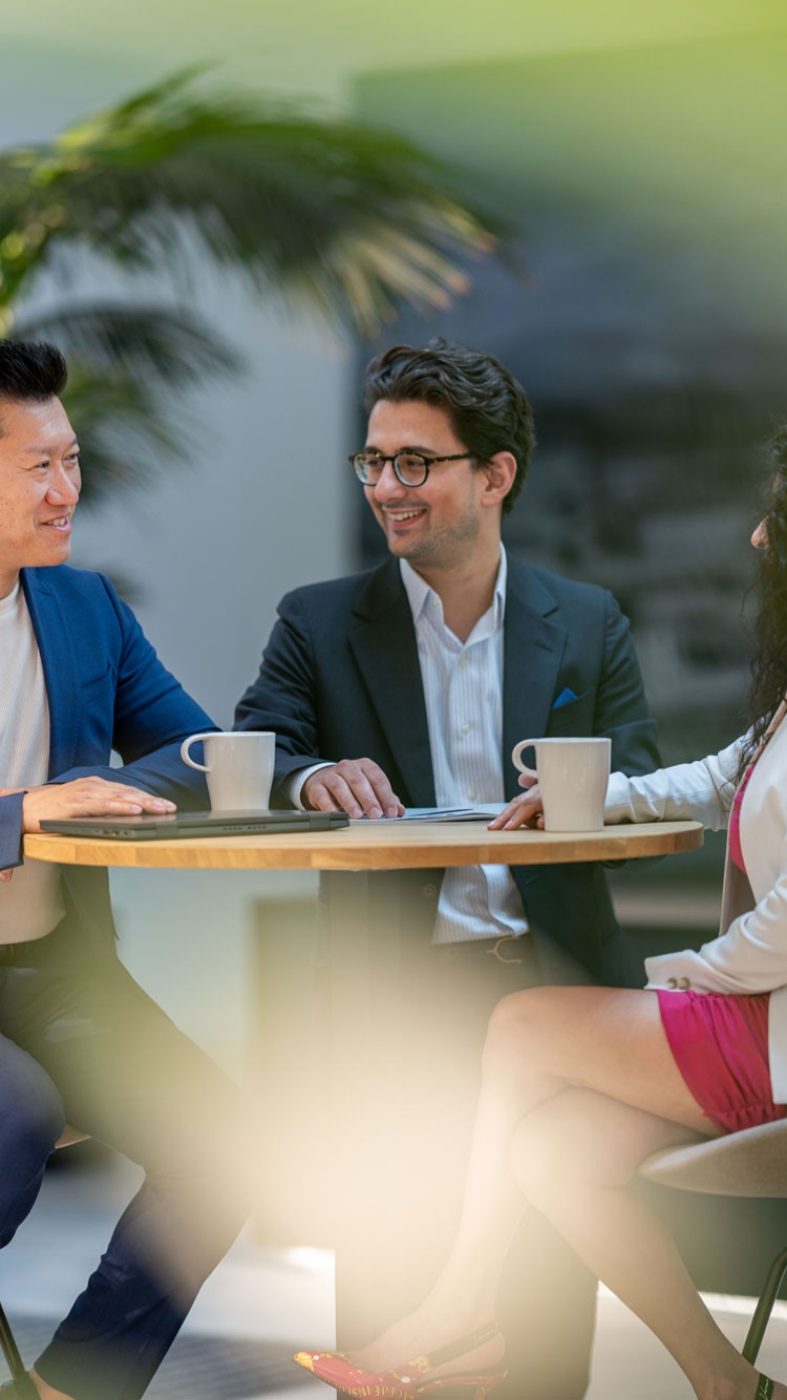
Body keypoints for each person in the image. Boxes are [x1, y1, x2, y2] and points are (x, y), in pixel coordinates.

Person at [292, 440, 787, 1400]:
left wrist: (679, 976)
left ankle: (458, 1312)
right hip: (758, 1022)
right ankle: (728, 1385)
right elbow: (724, 774)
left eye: (775, 517)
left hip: (772, 1040)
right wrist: (593, 797)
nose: (757, 537)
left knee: (523, 1023)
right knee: (551, 1150)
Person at [236, 339, 661, 1398]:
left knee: (542, 1324)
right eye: (373, 461)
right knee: (387, 1314)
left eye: (414, 462)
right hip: (393, 989)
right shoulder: (317, 620)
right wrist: (311, 775)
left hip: (556, 987)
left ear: (494, 475)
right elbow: (258, 746)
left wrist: (587, 792)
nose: (386, 486)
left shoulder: (586, 621)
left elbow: (644, 775)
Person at [0, 339, 252, 1400]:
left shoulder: (82, 607)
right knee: (14, 1119)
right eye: (38, 467)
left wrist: (94, 783)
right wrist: (23, 812)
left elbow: (192, 750)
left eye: (72, 460)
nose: (67, 490)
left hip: (51, 971)